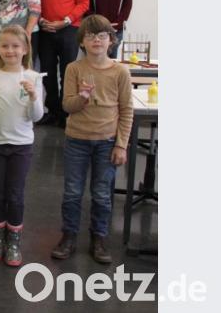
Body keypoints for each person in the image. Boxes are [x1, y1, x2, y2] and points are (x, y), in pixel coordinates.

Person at [51, 15, 132, 265]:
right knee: (72, 192)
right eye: (90, 36)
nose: (96, 40)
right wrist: (83, 98)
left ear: (111, 40)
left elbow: (127, 109)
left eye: (102, 35)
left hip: (107, 141)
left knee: (101, 194)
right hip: (77, 139)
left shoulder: (120, 71)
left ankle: (99, 237)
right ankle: (69, 236)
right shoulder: (74, 69)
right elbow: (67, 106)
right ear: (82, 42)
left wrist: (121, 144)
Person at [0, 26, 44, 266]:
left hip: (21, 146)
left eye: (15, 46)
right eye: (5, 46)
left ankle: (13, 242)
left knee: (15, 194)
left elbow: (36, 117)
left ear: (24, 49)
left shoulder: (33, 77)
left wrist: (34, 96)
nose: (10, 50)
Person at [33, 0, 89, 127]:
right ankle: (54, 111)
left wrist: (65, 21)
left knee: (68, 73)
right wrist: (41, 21)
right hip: (46, 30)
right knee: (47, 73)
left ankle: (67, 113)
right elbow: (33, 2)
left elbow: (83, 3)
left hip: (69, 29)